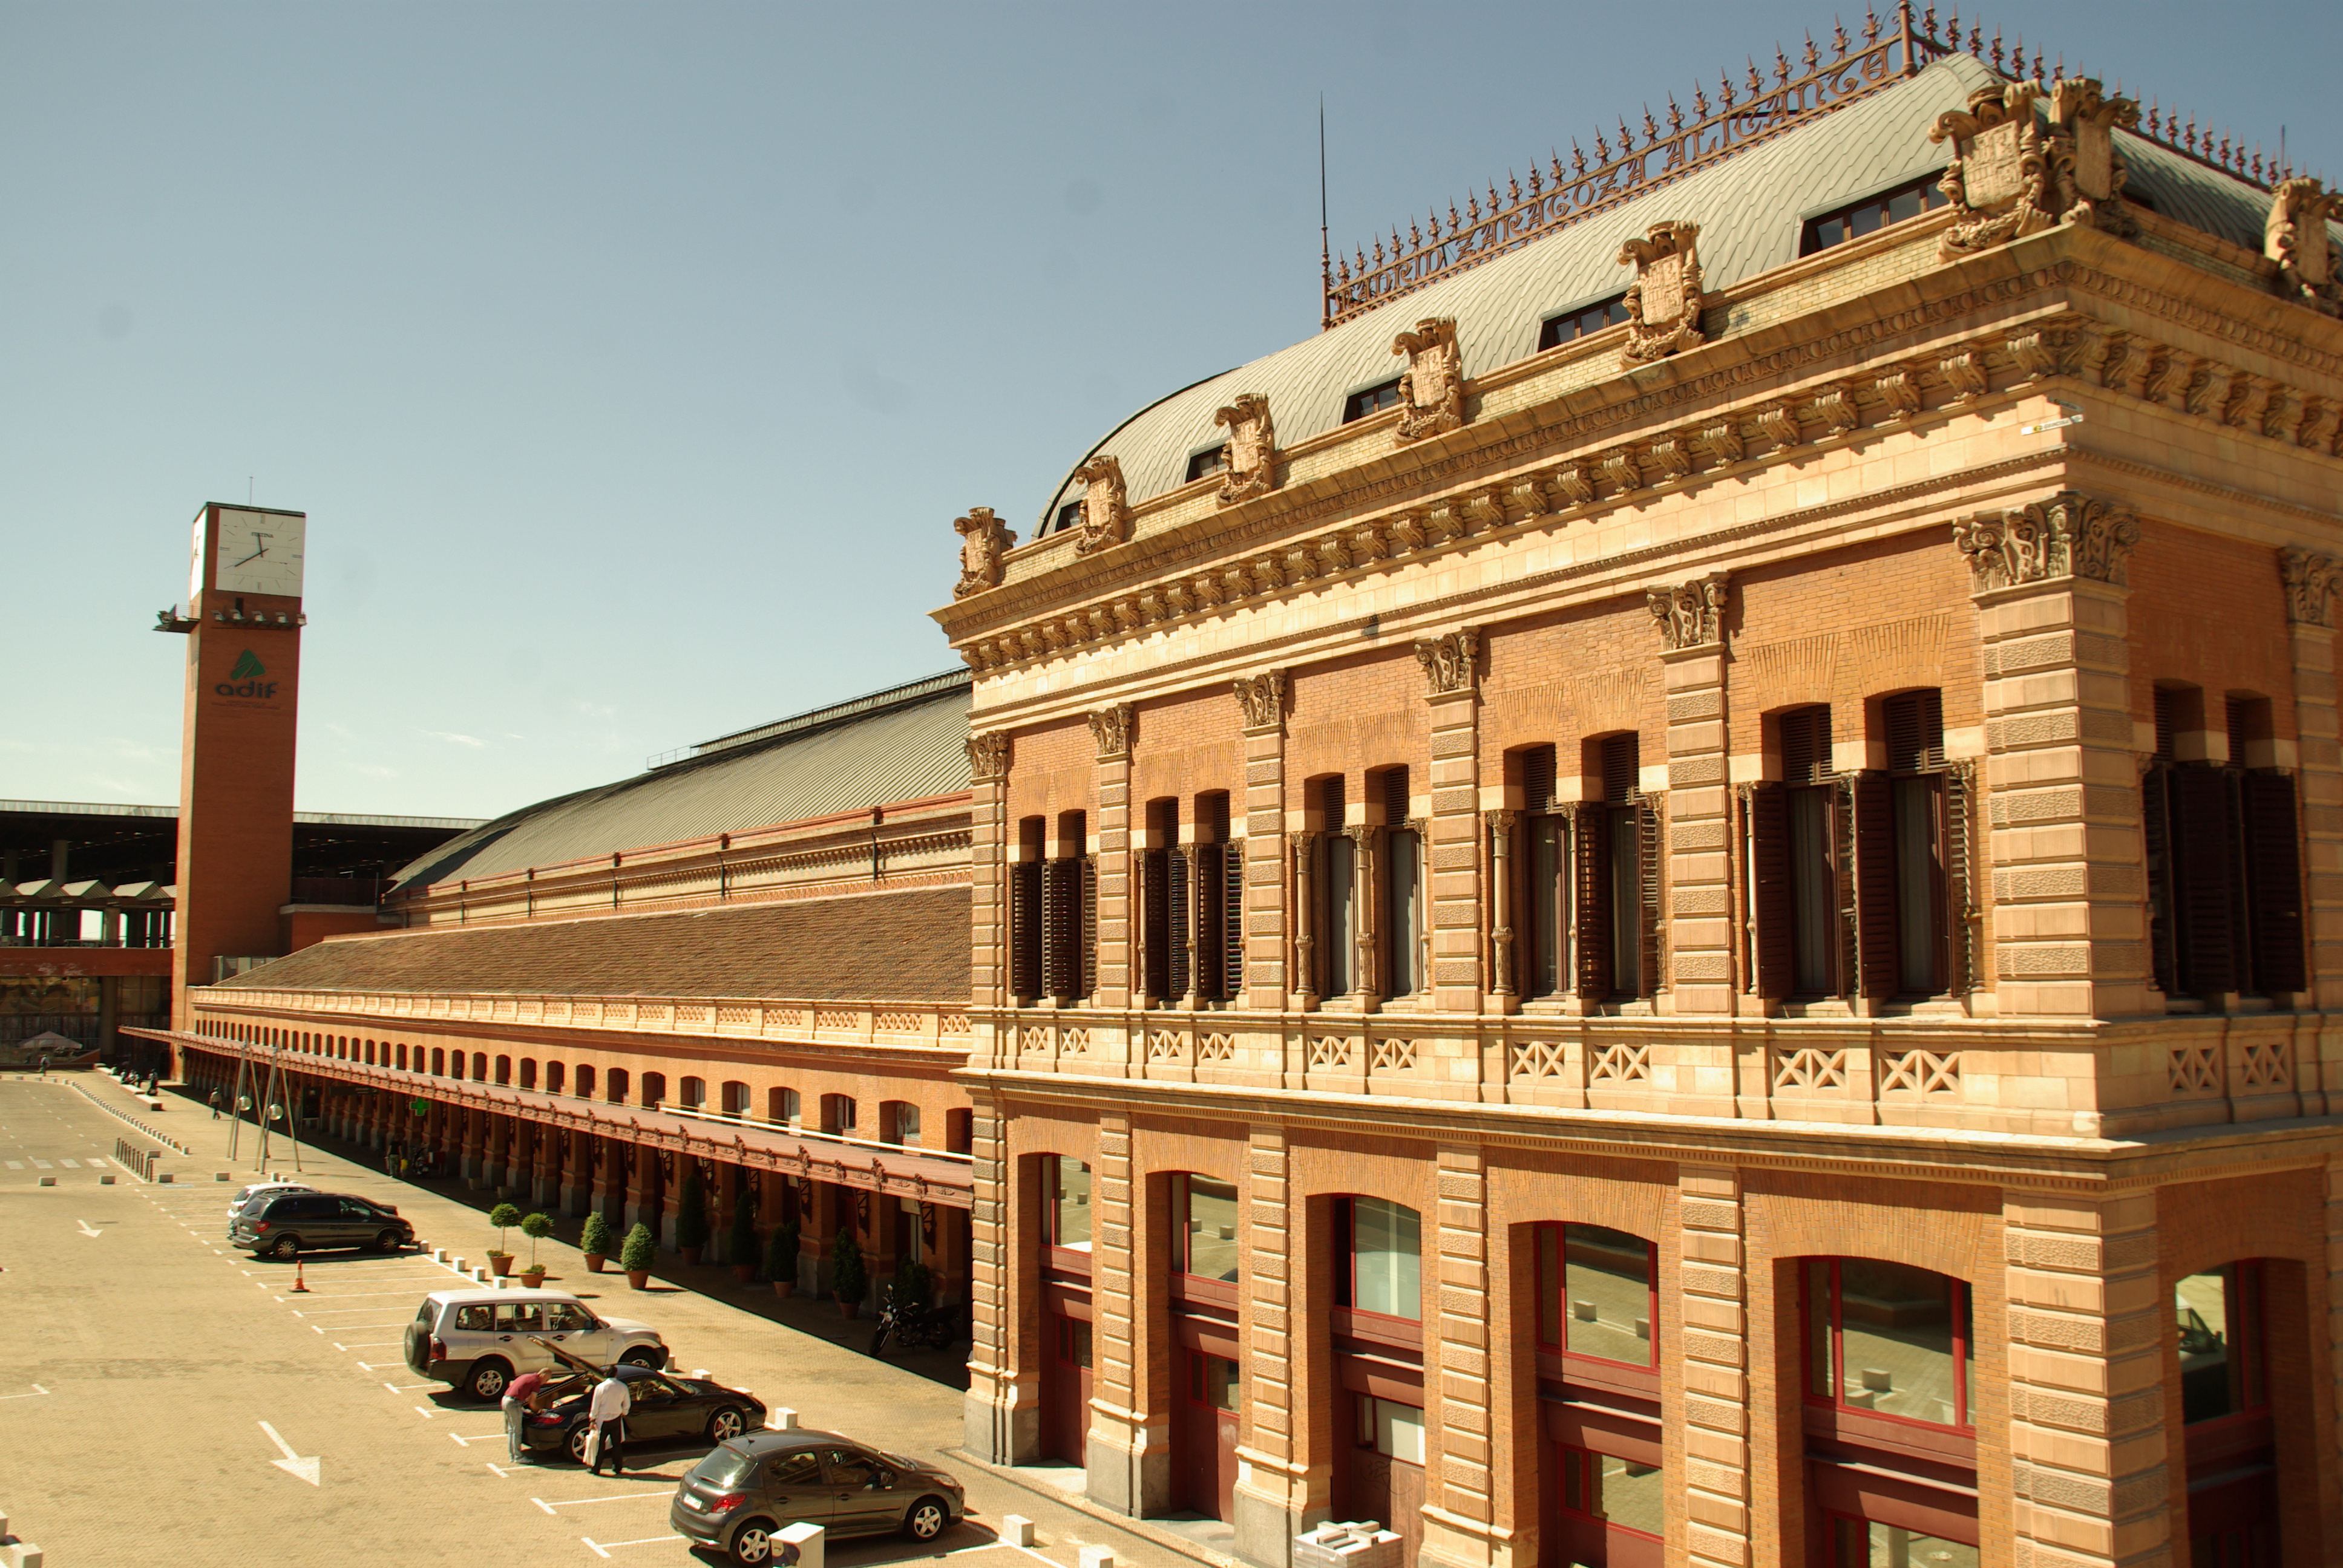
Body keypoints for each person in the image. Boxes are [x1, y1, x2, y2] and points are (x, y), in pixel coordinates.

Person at [586, 1372, 631, 1477]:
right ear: (616, 1374)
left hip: (602, 1420)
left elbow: (595, 1405)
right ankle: (617, 1467)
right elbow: (627, 1403)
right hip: (616, 1418)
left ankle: (596, 1468)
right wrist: (624, 1412)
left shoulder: (600, 1387)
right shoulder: (622, 1386)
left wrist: (593, 1418)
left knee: (600, 1445)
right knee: (616, 1444)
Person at [503, 1368, 546, 1463]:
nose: (545, 1383)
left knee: (512, 1430)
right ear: (543, 1376)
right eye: (546, 1380)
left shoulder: (527, 1376)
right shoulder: (536, 1382)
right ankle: (518, 1457)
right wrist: (539, 1411)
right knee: (517, 1431)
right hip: (514, 1403)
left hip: (505, 1400)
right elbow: (532, 1402)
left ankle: (513, 1456)